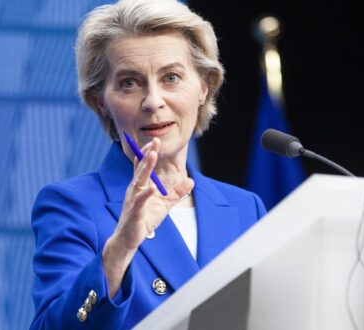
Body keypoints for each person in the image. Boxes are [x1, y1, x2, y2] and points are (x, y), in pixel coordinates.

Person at [30, 0, 266, 328]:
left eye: (171, 77)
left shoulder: (246, 209)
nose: (153, 101)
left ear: (203, 86)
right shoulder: (72, 205)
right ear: (101, 101)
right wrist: (120, 250)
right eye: (129, 82)